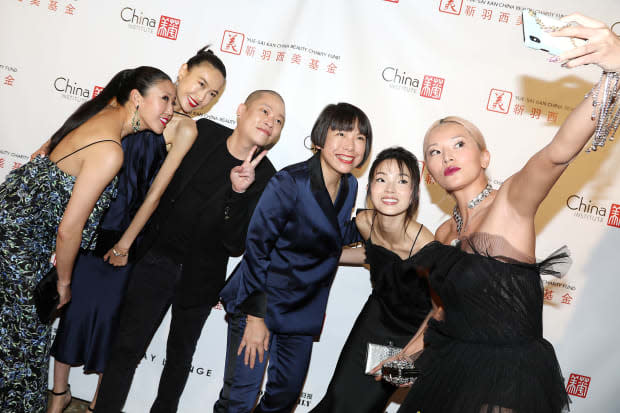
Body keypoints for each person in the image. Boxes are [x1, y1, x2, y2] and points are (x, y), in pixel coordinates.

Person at [370, 17, 620, 408]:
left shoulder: (512, 200)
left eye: (458, 144)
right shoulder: (443, 235)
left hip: (507, 381)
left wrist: (615, 69)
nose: (447, 155)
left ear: (484, 156)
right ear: (429, 173)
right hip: (451, 368)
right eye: (434, 152)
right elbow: (441, 310)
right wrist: (402, 359)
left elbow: (558, 152)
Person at [45, 48, 227, 413]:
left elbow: (156, 192)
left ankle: (99, 403)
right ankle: (59, 395)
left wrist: (127, 242)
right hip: (88, 216)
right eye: (201, 83)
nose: (202, 97)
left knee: (113, 324)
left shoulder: (185, 127)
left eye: (213, 95)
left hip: (123, 233)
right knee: (72, 310)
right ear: (183, 70)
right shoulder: (140, 95)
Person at [94, 89, 286, 413]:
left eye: (279, 120)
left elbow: (235, 244)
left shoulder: (268, 178)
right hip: (156, 259)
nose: (271, 122)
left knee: (179, 361)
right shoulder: (204, 132)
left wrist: (239, 194)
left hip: (201, 278)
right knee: (126, 348)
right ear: (241, 110)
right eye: (265, 111)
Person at [0, 66, 174, 413]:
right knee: (21, 346)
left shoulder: (100, 112)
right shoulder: (111, 150)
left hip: (14, 227)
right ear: (137, 98)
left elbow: (41, 160)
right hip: (17, 244)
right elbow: (69, 229)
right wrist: (64, 283)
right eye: (164, 99)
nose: (171, 109)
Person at [215, 102, 373, 413]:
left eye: (359, 138)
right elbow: (258, 247)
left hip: (303, 308)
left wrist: (370, 224)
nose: (350, 146)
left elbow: (329, 236)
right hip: (261, 298)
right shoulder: (291, 182)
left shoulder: (350, 185)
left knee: (284, 397)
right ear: (321, 137)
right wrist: (257, 317)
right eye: (340, 133)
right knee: (240, 399)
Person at [311, 147, 434, 413]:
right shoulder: (366, 221)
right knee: (338, 398)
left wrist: (410, 355)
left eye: (401, 181)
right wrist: (326, 255)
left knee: (367, 406)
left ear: (413, 193)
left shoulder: (425, 244)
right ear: (370, 187)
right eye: (381, 179)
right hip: (374, 319)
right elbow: (375, 256)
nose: (390, 189)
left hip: (411, 335)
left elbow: (442, 307)